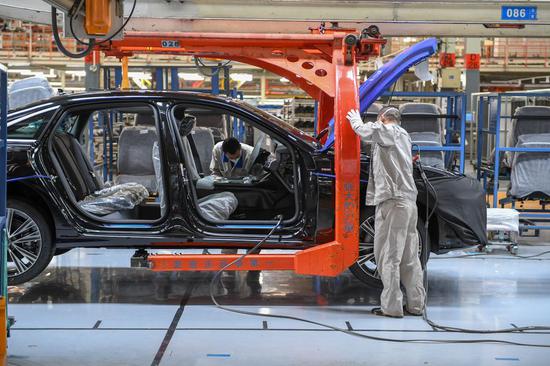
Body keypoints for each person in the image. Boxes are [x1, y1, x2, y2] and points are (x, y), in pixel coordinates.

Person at [347, 106, 426, 318]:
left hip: (393, 202)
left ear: (383, 118)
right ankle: (416, 305)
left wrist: (355, 121)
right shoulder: (404, 135)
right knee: (410, 258)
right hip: (409, 203)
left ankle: (391, 308)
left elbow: (366, 132)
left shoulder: (389, 131)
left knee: (388, 256)